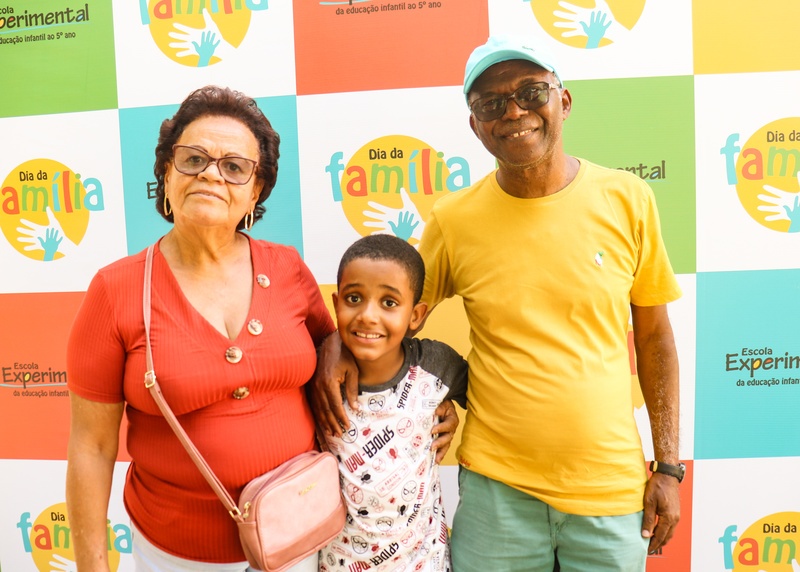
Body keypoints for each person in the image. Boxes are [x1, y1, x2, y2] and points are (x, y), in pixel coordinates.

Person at [312, 34, 683, 572]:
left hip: (610, 488)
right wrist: (334, 345)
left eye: (531, 92)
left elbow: (655, 337)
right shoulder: (454, 218)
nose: (513, 111)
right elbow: (391, 313)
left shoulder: (629, 199)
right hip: (496, 492)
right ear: (475, 124)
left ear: (563, 101)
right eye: (491, 103)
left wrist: (668, 467)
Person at [319, 234, 468, 572]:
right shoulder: (318, 377)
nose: (368, 316)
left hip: (424, 563)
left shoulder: (436, 366)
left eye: (389, 303)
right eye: (354, 298)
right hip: (338, 564)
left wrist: (448, 407)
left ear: (416, 315)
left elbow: (491, 397)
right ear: (336, 303)